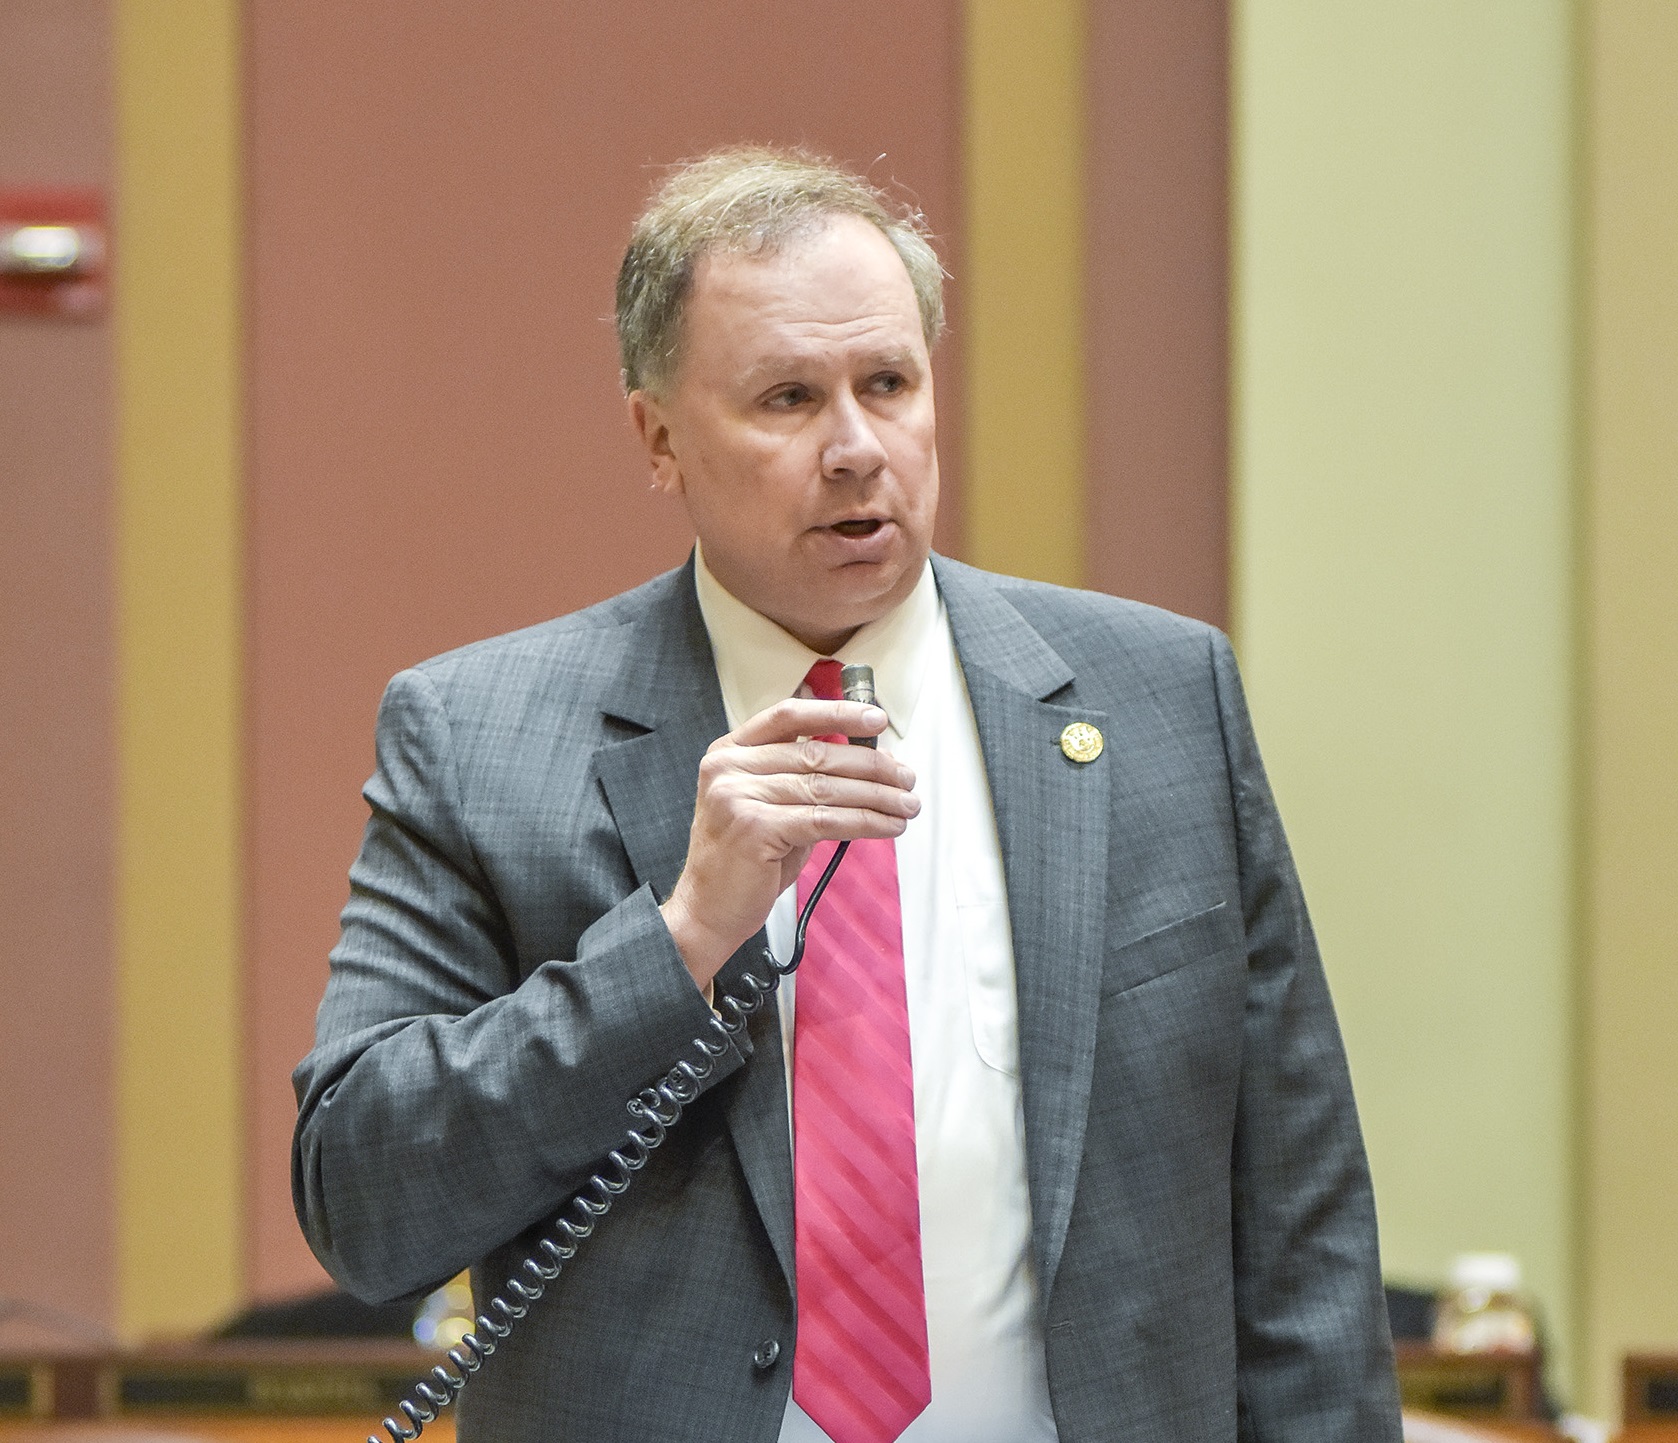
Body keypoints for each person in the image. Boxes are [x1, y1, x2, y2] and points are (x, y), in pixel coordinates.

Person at [292, 146, 1402, 1443]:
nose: (856, 449)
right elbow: (362, 1203)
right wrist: (679, 940)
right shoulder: (479, 737)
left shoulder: (1156, 697)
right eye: (785, 399)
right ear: (657, 438)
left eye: (889, 384)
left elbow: (1297, 1215)